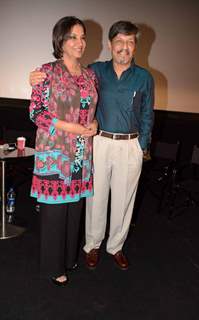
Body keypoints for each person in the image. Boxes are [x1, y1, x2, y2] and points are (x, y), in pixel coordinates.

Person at [30, 20, 154, 271]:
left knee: (123, 200)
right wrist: (33, 77)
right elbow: (42, 104)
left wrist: (142, 145)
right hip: (95, 143)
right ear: (110, 44)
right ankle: (92, 245)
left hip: (125, 145)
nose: (124, 47)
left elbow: (147, 113)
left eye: (130, 42)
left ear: (136, 46)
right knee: (94, 199)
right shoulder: (96, 70)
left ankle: (115, 246)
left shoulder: (142, 77)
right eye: (119, 41)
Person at [29, 16, 98, 286]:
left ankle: (69, 258)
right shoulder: (46, 72)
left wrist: (93, 124)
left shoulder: (90, 75)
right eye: (73, 37)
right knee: (55, 212)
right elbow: (37, 113)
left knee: (74, 209)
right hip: (55, 154)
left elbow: (91, 110)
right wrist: (72, 127)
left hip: (81, 154)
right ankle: (53, 265)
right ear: (61, 40)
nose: (79, 42)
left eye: (82, 37)